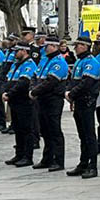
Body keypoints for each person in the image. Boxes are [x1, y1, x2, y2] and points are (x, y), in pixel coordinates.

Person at [65, 35, 100, 179]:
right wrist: (69, 92)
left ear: (85, 46)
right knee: (82, 135)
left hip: (87, 101)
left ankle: (93, 165)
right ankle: (83, 162)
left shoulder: (91, 62)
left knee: (89, 134)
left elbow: (86, 83)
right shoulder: (79, 61)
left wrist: (71, 94)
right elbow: (74, 81)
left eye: (78, 45)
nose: (75, 48)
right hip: (79, 102)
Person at [30, 36, 68, 172]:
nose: (45, 48)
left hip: (53, 99)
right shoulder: (45, 60)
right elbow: (35, 76)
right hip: (42, 99)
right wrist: (32, 88)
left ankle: (58, 160)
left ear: (54, 46)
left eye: (47, 46)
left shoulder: (59, 62)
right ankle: (47, 158)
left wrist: (34, 91)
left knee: (54, 130)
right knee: (45, 130)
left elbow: (50, 82)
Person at [3, 43, 37, 166]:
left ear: (24, 51)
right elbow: (9, 80)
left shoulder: (29, 64)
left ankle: (27, 156)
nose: (14, 53)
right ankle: (19, 154)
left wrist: (9, 93)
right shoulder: (16, 64)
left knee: (26, 129)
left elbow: (23, 83)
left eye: (17, 51)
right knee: (17, 129)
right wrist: (4, 91)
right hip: (14, 101)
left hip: (24, 101)